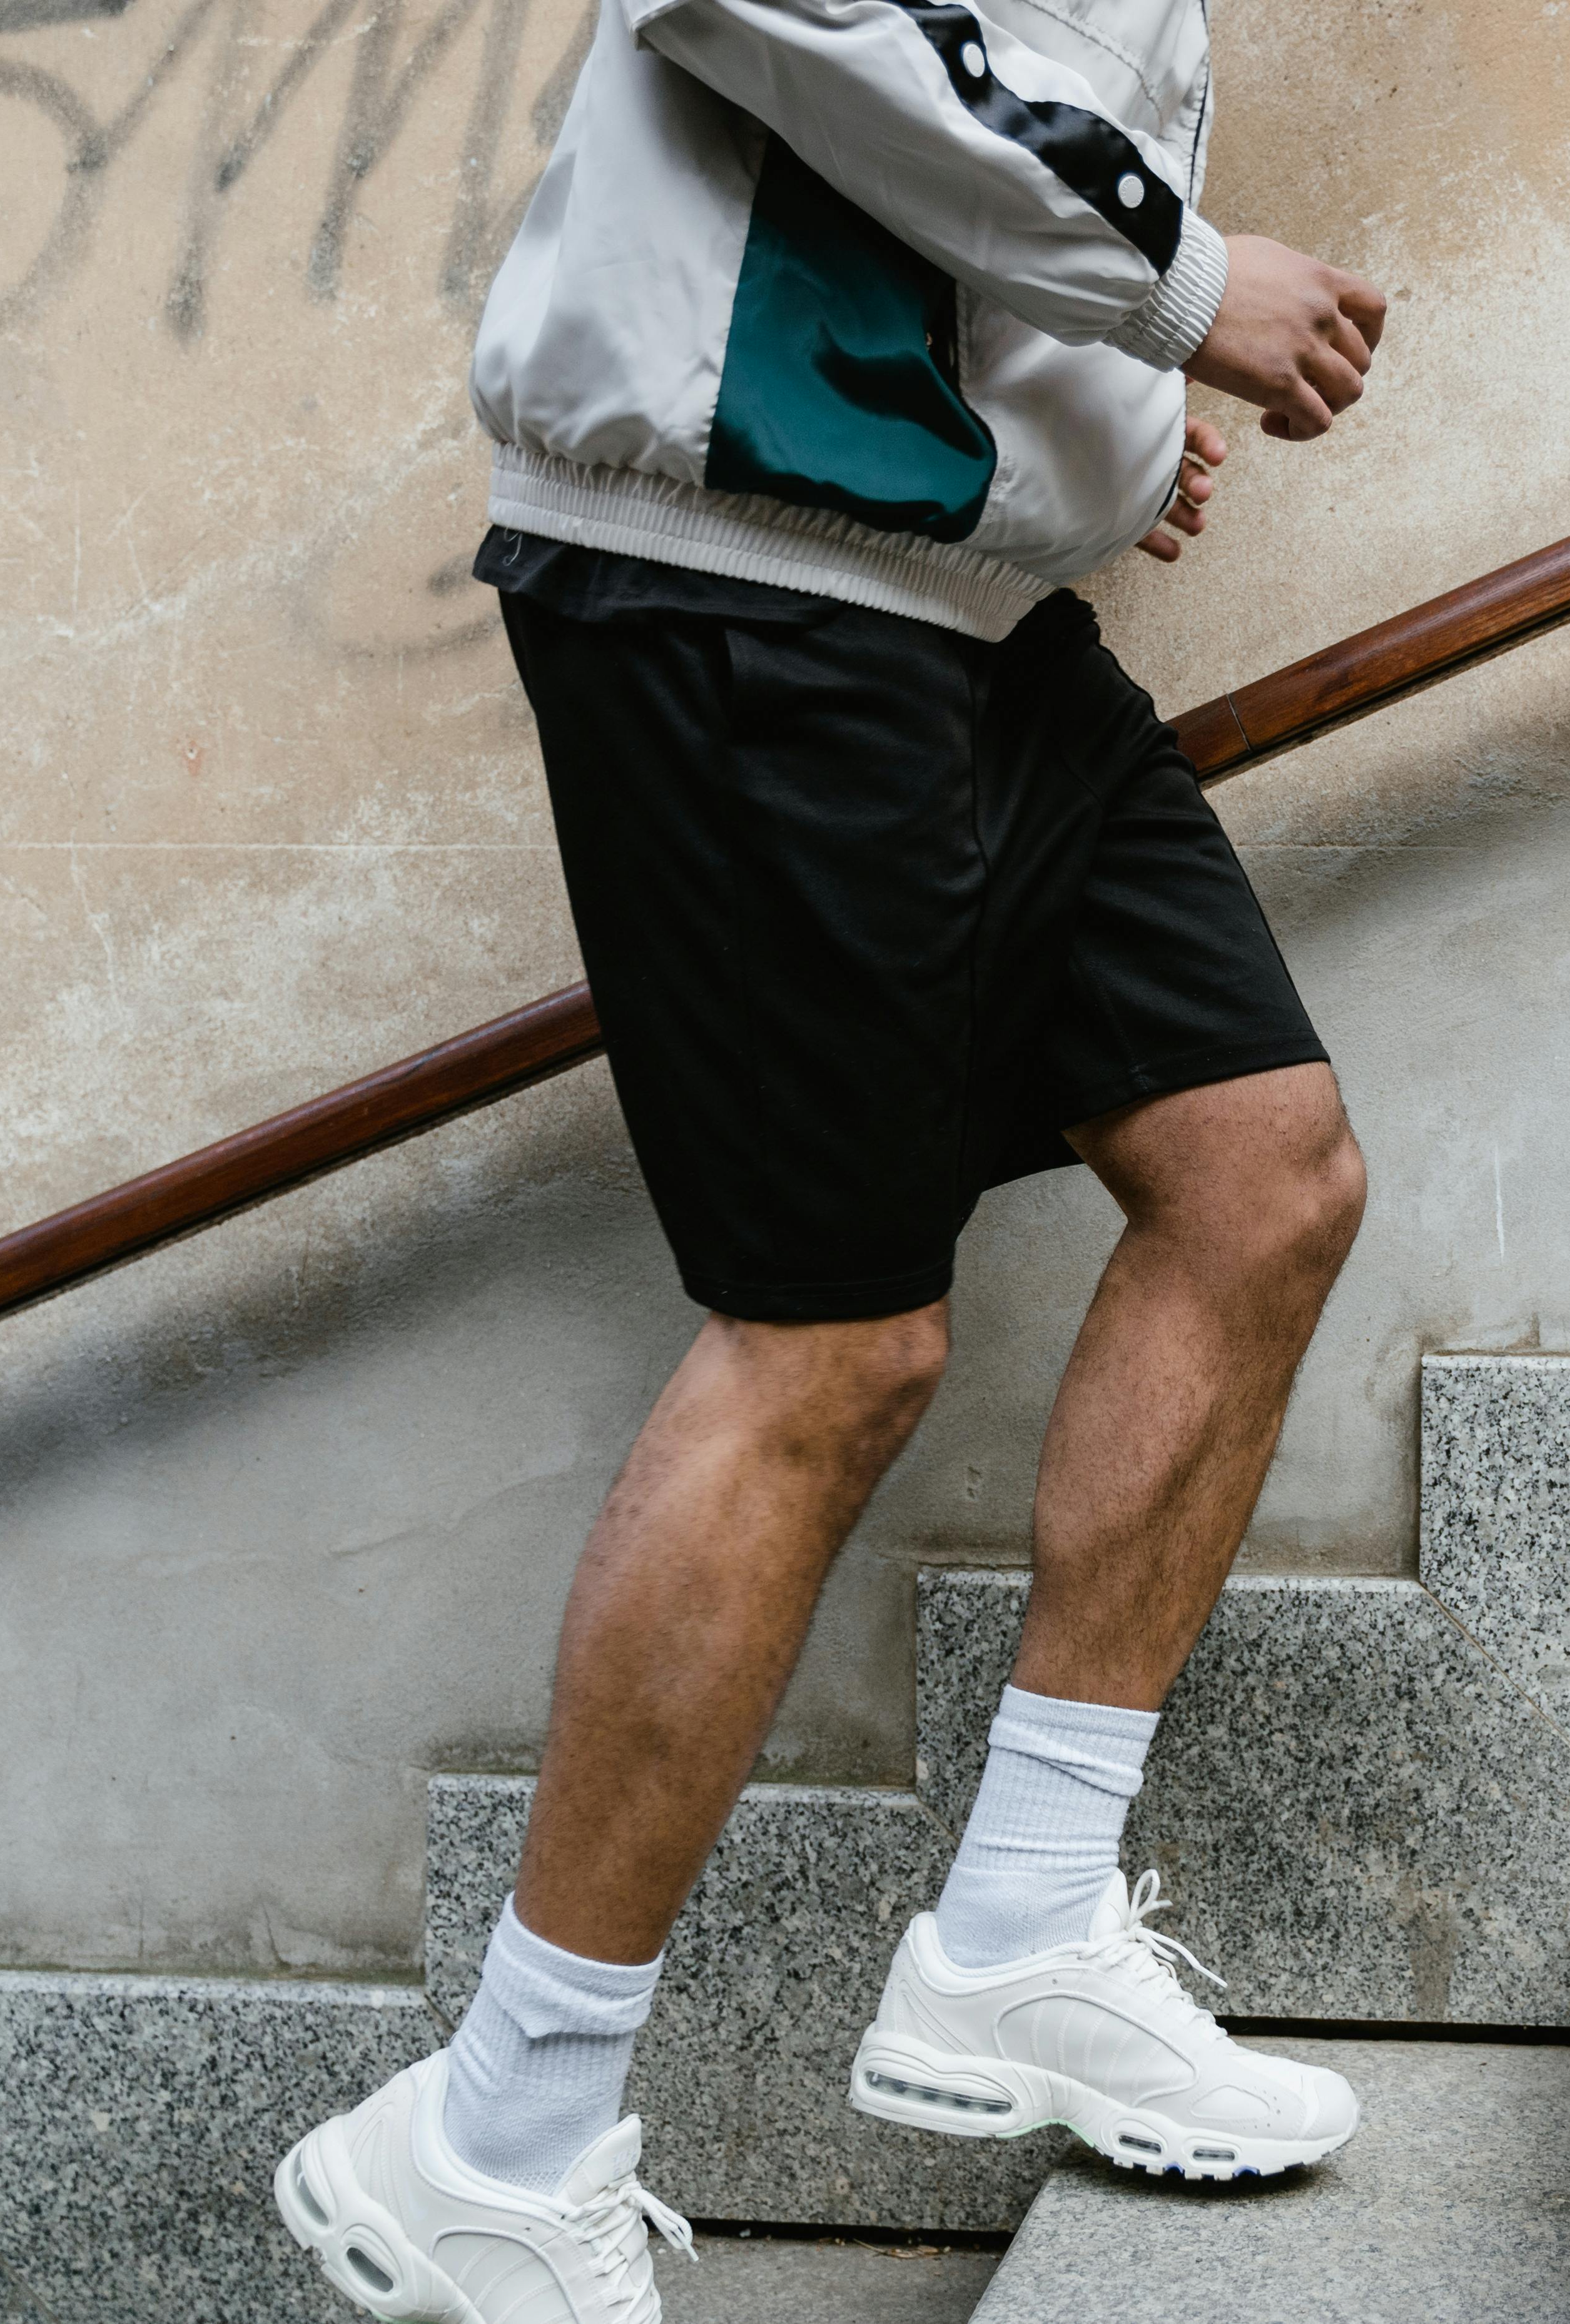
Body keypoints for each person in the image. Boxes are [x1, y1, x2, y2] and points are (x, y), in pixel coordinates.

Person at [273, 0, 1387, 2313]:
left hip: (963, 610)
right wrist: (1185, 289)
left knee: (1260, 1172)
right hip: (750, 578)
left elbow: (965, 137)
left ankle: (1022, 1931)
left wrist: (1092, 435)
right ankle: (497, 2135)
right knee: (831, 1347)